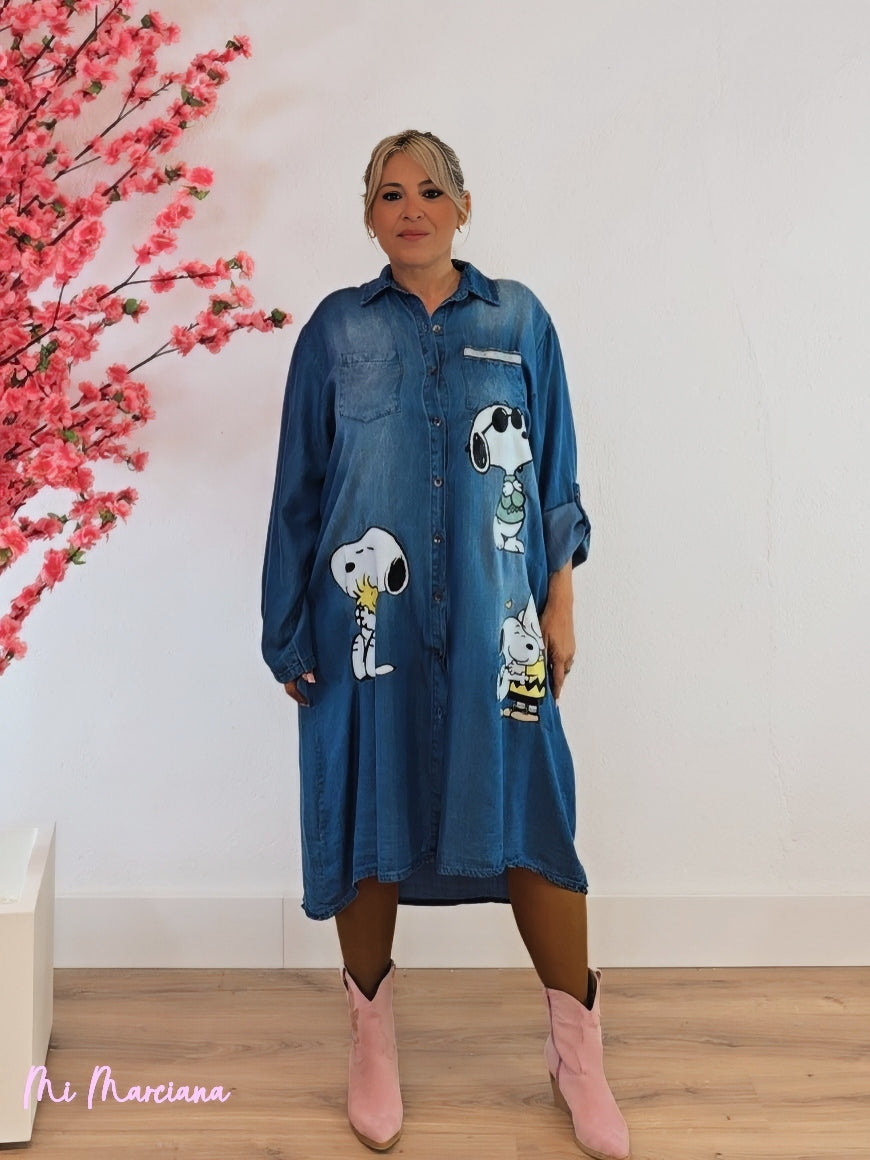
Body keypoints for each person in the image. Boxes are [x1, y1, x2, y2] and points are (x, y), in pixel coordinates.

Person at [261, 130, 630, 1160]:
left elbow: (554, 474)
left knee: (534, 815)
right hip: (364, 629)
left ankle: (578, 1051)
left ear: (463, 206)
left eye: (430, 190)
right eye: (390, 193)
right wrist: (285, 629)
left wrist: (560, 605)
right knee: (365, 810)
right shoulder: (336, 330)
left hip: (495, 622)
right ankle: (370, 1037)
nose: (411, 208)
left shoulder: (519, 320)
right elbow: (298, 492)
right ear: (368, 215)